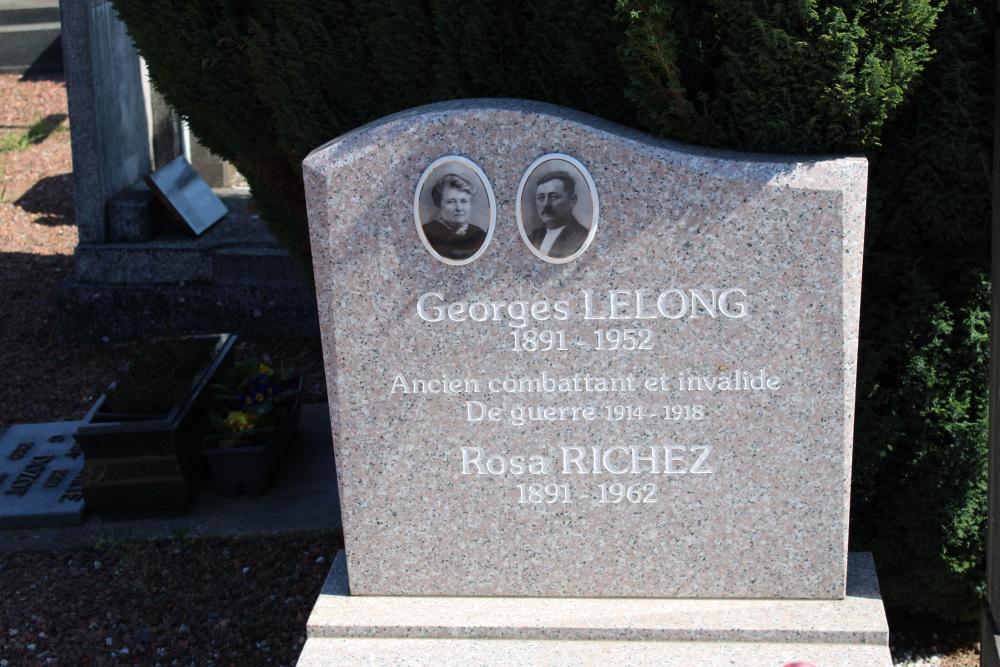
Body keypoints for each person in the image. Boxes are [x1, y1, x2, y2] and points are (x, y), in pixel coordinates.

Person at [421, 173, 487, 261]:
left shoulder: (479, 235)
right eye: (451, 202)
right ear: (439, 205)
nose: (459, 208)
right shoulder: (427, 233)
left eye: (464, 201)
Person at [527, 170, 589, 259]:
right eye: (541, 198)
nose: (546, 204)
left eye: (553, 197)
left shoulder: (582, 237)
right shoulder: (533, 237)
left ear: (572, 201)